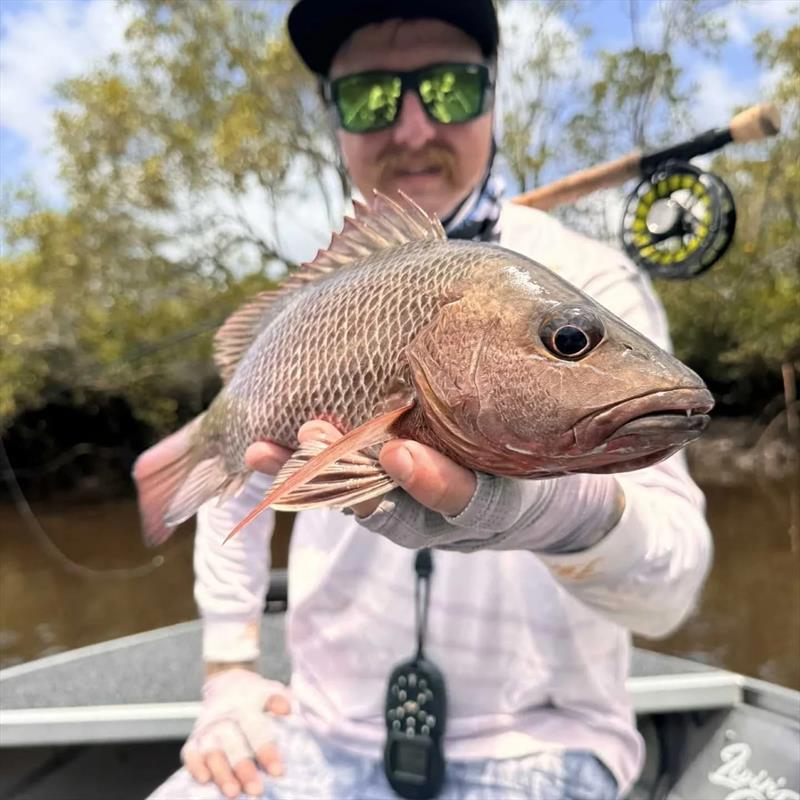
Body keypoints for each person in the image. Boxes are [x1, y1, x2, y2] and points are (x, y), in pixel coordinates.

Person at [150, 2, 712, 799]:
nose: (412, 127)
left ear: (491, 95)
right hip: (312, 729)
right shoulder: (311, 303)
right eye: (371, 97)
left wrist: (569, 516)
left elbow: (671, 595)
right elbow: (239, 477)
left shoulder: (595, 276)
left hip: (540, 746)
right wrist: (229, 672)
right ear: (335, 118)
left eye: (448, 89)